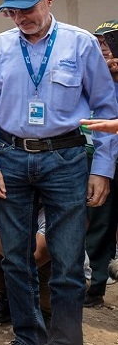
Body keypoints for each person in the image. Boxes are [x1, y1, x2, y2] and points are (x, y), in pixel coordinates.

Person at [0, 0, 118, 343]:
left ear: (50, 0)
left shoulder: (81, 43)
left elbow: (105, 107)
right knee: (16, 261)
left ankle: (66, 340)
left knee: (68, 264)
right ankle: (28, 338)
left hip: (66, 160)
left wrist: (102, 168)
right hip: (10, 160)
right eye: (12, 12)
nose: (21, 19)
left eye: (29, 9)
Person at [80, 19, 118, 309]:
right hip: (95, 160)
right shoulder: (91, 77)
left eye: (107, 45)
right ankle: (94, 287)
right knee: (97, 223)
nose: (102, 51)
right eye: (100, 45)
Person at [0, 203, 51, 324]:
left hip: (53, 269)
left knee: (45, 269)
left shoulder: (55, 208)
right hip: (21, 254)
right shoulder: (8, 190)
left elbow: (32, 260)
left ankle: (46, 311)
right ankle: (8, 297)